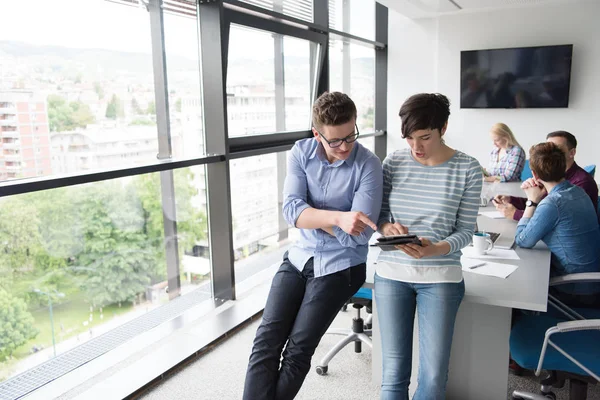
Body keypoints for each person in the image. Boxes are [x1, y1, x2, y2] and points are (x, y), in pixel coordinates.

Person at [242, 91, 383, 400]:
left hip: (342, 266)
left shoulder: (369, 165)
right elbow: (291, 211)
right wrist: (338, 218)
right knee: (266, 340)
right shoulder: (301, 152)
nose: (345, 146)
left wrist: (314, 216)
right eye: (335, 140)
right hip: (298, 258)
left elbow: (357, 236)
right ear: (316, 134)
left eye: (351, 136)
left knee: (298, 348)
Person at [375, 93, 482, 399]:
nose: (416, 148)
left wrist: (435, 249)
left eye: (424, 137)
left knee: (433, 376)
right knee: (393, 372)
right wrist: (387, 227)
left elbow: (465, 230)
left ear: (443, 128)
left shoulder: (468, 168)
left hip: (440, 277)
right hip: (392, 273)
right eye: (409, 138)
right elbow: (380, 215)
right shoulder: (393, 161)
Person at [515, 142, 600, 308]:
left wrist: (531, 201)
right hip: (592, 283)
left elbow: (522, 241)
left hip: (574, 289)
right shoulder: (578, 191)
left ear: (534, 174)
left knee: (519, 286)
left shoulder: (552, 204)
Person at [494, 131, 598, 221]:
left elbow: (554, 219)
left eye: (557, 149)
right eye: (548, 148)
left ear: (572, 153)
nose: (550, 153)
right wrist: (512, 200)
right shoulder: (551, 175)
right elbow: (540, 204)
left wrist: (515, 214)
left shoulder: (583, 182)